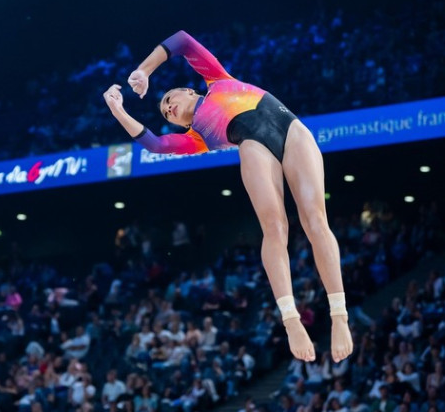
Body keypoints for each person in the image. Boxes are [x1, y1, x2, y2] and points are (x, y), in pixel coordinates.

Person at [103, 30, 352, 362]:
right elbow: (157, 144)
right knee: (276, 228)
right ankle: (291, 320)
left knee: (315, 221)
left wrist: (144, 70)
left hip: (292, 131)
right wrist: (119, 111)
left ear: (187, 89)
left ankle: (340, 316)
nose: (168, 109)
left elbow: (181, 42)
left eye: (168, 101)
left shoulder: (217, 79)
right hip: (254, 147)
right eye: (165, 114)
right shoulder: (197, 138)